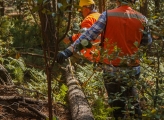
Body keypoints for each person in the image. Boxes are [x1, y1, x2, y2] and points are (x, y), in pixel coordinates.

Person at [57, 0, 152, 119]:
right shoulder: (142, 18)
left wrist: (68, 51)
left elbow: (88, 36)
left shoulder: (107, 15)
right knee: (134, 102)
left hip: (111, 69)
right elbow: (147, 42)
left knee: (117, 106)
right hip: (132, 69)